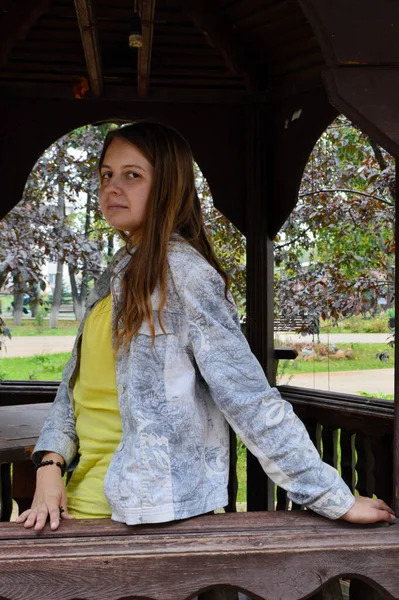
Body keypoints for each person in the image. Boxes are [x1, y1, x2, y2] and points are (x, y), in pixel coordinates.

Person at [17, 121, 395, 532]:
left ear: (168, 187)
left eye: (132, 175)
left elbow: (249, 397)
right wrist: (50, 463)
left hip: (150, 517)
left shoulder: (184, 276)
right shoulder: (116, 276)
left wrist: (330, 496)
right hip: (75, 506)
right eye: (107, 174)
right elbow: (73, 392)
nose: (112, 187)